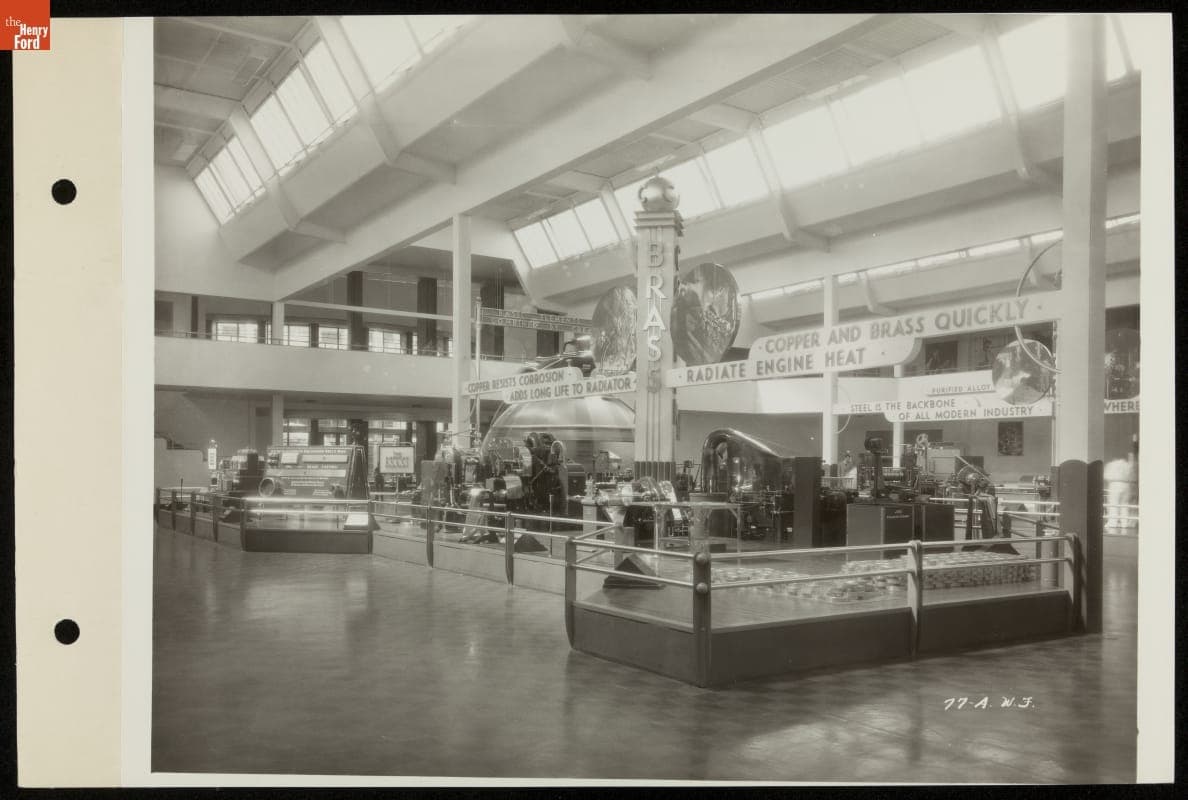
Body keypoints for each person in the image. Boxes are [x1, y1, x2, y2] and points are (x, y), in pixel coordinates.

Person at [1103, 452, 1137, 530]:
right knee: (1125, 505)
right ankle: (1124, 523)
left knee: (1113, 504)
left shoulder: (1111, 464)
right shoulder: (1127, 465)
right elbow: (1132, 477)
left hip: (1115, 484)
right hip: (1126, 485)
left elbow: (1106, 476)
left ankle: (1113, 523)